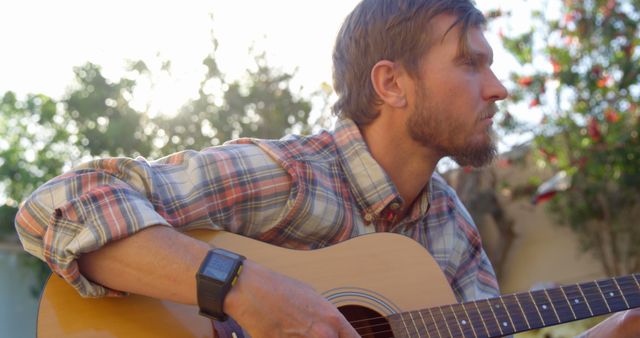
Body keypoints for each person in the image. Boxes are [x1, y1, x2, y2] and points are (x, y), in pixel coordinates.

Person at [14, 0, 639, 337]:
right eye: (471, 63)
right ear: (392, 83)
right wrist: (244, 288)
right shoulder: (288, 176)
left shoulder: (454, 231)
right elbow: (62, 202)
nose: (499, 88)